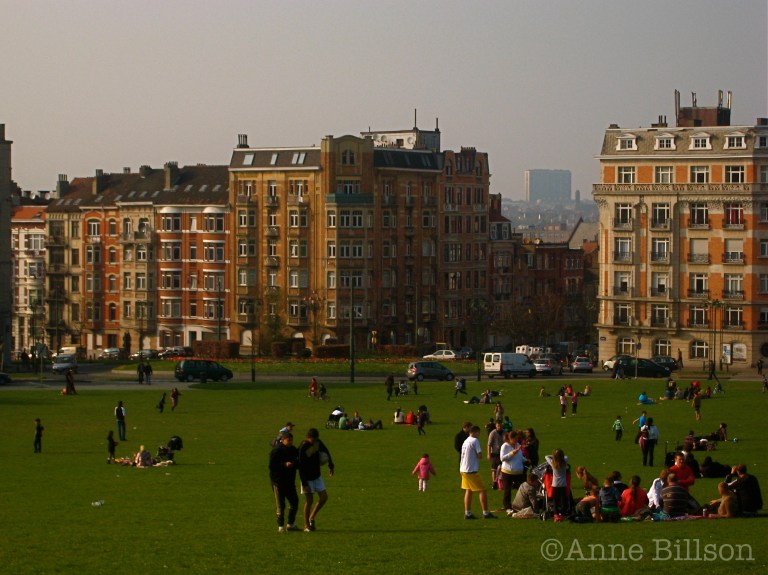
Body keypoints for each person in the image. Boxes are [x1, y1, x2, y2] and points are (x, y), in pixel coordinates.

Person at [298, 428, 334, 532]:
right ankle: (306, 525)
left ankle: (312, 517)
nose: (316, 442)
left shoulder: (317, 442)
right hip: (307, 479)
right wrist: (304, 482)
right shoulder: (303, 447)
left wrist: (331, 465)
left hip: (317, 476)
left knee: (324, 497)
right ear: (309, 438)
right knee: (309, 501)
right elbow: (301, 466)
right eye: (314, 439)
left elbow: (326, 450)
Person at [459, 425, 496, 519]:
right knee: (482, 490)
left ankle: (467, 513)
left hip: (463, 469)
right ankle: (486, 512)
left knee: (469, 490)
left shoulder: (466, 441)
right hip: (471, 470)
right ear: (476, 432)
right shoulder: (475, 441)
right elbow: (479, 455)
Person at [269, 431, 300, 532]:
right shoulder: (277, 451)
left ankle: (290, 524)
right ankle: (281, 526)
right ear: (283, 440)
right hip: (278, 482)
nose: (290, 442)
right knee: (281, 505)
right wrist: (284, 465)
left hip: (289, 482)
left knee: (294, 502)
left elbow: (297, 461)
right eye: (288, 440)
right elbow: (272, 466)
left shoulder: (293, 450)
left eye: (291, 440)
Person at [499, 431, 525, 510]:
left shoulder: (517, 445)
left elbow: (520, 456)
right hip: (508, 472)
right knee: (507, 490)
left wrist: (525, 459)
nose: (517, 440)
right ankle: (507, 506)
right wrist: (512, 453)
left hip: (518, 472)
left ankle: (520, 504)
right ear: (510, 439)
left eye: (517, 438)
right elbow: (502, 458)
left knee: (521, 489)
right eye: (515, 439)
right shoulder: (505, 446)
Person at [545, 448, 570, 517]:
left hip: (555, 484)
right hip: (563, 484)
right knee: (563, 500)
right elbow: (566, 456)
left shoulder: (553, 463)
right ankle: (563, 513)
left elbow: (546, 456)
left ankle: (555, 514)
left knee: (555, 500)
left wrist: (553, 456)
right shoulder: (565, 461)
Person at [486, 421, 504, 489]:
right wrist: (489, 454)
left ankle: (501, 482)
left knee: (503, 468)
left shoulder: (505, 432)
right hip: (494, 453)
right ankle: (494, 482)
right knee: (494, 469)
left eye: (500, 426)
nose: (499, 427)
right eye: (498, 426)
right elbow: (489, 444)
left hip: (502, 453)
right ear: (496, 426)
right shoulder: (492, 433)